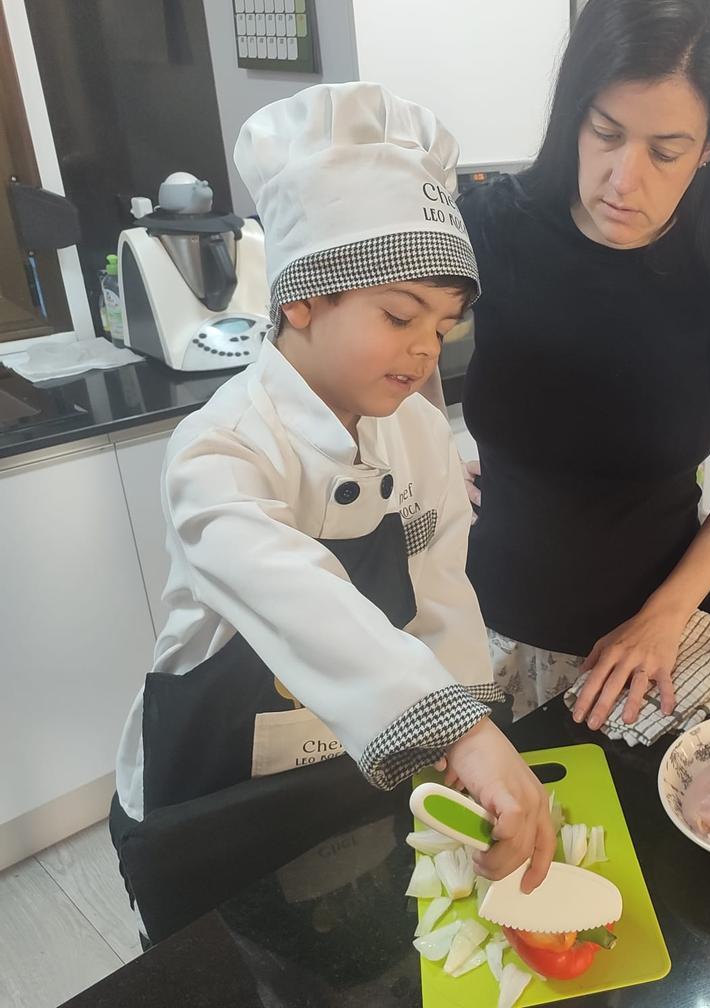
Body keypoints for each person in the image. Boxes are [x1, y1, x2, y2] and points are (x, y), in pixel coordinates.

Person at [109, 83, 553, 943]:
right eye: (400, 314)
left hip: (352, 757)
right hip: (210, 788)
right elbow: (294, 593)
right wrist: (456, 730)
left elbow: (440, 597)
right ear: (301, 297)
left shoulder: (416, 433)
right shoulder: (219, 451)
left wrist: (466, 731)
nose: (425, 348)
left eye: (444, 326)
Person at [458, 0, 710, 726]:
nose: (624, 178)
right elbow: (388, 359)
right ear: (575, 111)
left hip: (643, 648)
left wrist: (666, 615)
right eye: (606, 132)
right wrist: (426, 461)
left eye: (666, 150)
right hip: (477, 619)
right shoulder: (494, 227)